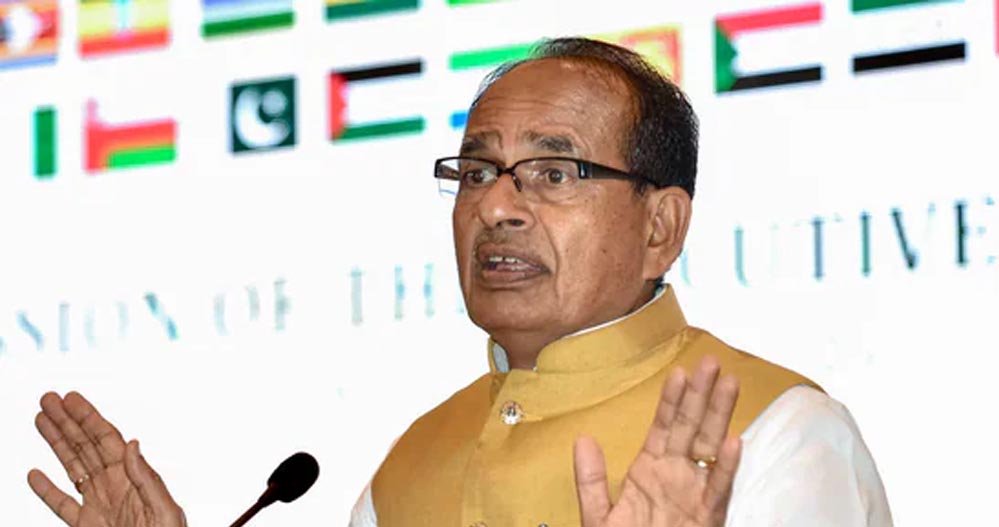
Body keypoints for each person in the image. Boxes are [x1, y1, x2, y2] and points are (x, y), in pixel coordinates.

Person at [28, 37, 892, 527]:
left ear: (660, 226)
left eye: (553, 173)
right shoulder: (408, 467)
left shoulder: (776, 432)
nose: (496, 207)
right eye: (476, 172)